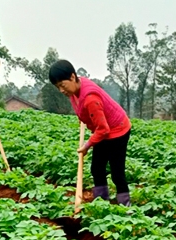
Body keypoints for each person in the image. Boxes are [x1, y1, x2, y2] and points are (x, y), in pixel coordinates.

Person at [49, 59, 132, 206]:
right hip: (103, 128)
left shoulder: (90, 99)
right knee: (97, 168)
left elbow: (104, 129)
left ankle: (125, 206)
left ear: (72, 77)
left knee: (117, 173)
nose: (61, 90)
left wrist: (87, 145)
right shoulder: (75, 89)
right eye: (57, 87)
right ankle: (102, 203)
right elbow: (83, 110)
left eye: (62, 85)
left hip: (118, 130)